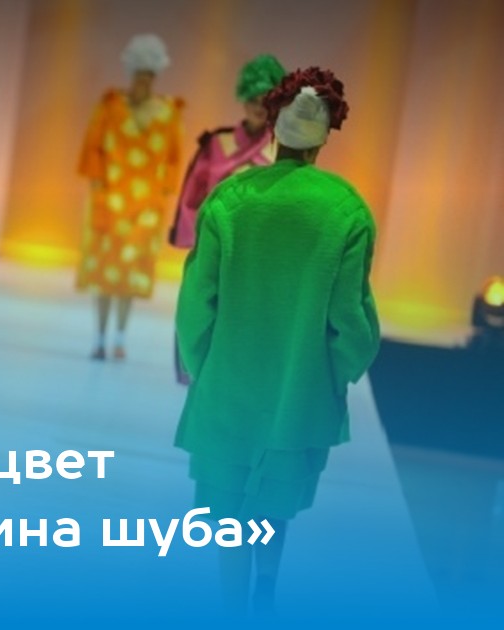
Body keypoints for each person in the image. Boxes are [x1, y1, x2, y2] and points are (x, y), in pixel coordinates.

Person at [174, 67, 379, 616]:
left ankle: (231, 605)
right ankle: (266, 587)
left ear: (273, 125)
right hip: (300, 390)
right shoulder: (345, 210)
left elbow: (196, 305)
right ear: (325, 136)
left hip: (228, 386)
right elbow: (352, 321)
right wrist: (335, 376)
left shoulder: (230, 200)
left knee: (227, 504)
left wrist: (203, 367)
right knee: (275, 495)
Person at [169, 54, 285, 383]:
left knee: (242, 316)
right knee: (199, 308)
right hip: (213, 243)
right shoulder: (217, 142)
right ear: (242, 99)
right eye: (253, 99)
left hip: (257, 252)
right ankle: (194, 371)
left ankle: (232, 377)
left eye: (266, 101)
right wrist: (201, 237)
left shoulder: (282, 150)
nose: (258, 107)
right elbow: (193, 195)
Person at [77, 34, 184, 360]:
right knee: (104, 275)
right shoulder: (111, 105)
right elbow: (92, 149)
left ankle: (120, 337)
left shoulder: (167, 112)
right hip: (109, 201)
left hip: (144, 208)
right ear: (131, 73)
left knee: (129, 276)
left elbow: (173, 158)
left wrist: (161, 196)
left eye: (149, 75)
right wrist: (98, 191)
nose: (144, 81)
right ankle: (99, 337)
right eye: (139, 74)